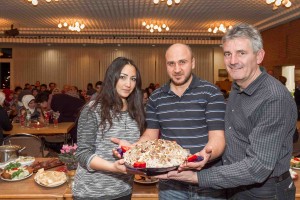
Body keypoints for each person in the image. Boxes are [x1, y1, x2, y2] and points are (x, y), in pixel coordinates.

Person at [157, 23, 297, 200]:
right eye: (228, 54)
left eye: (241, 53)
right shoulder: (238, 87)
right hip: (233, 185)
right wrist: (205, 155)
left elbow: (257, 167)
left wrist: (198, 178)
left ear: (259, 56)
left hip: (264, 192)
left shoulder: (274, 98)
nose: (233, 61)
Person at [113, 43, 226, 200]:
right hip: (171, 182)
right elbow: (150, 136)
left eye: (182, 62)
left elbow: (218, 138)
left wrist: (206, 155)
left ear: (193, 62)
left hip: (207, 180)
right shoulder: (156, 97)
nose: (177, 69)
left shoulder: (211, 93)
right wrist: (134, 149)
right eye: (171, 63)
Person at [73, 57, 145, 200]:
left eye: (133, 79)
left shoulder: (135, 111)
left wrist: (131, 150)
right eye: (123, 77)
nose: (128, 84)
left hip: (123, 190)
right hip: (91, 192)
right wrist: (113, 167)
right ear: (112, 78)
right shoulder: (93, 109)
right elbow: (82, 154)